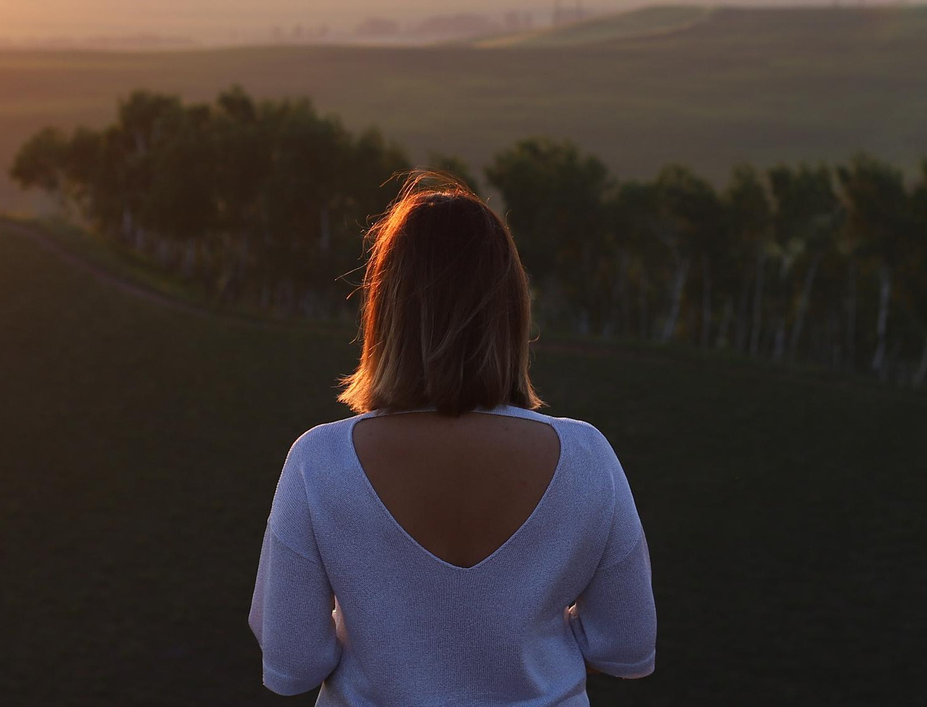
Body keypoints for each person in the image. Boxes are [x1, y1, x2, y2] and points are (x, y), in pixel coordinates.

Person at [249, 174, 656, 704]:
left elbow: (293, 662)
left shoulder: (320, 463)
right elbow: (625, 645)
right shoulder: (587, 458)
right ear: (510, 310)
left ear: (385, 309)